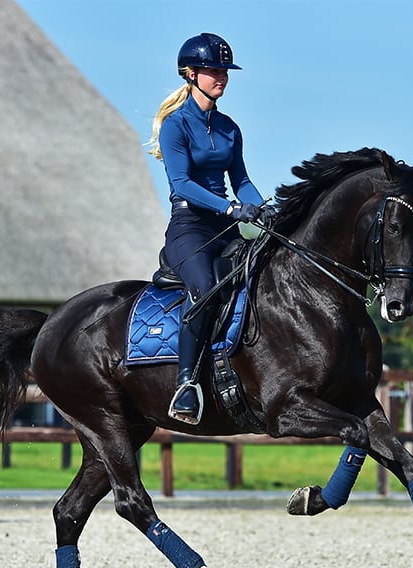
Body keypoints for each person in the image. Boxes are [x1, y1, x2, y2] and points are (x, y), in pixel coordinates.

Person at [147, 32, 264, 425]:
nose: (222, 77)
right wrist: (231, 207)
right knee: (205, 290)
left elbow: (242, 179)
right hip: (189, 226)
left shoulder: (230, 128)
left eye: (225, 71)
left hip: (226, 225)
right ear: (191, 73)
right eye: (214, 70)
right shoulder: (175, 126)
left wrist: (263, 208)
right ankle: (186, 385)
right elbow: (181, 184)